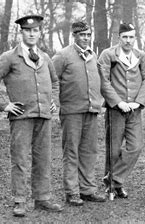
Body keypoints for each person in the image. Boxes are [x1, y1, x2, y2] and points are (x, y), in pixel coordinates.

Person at [0, 15, 63, 217]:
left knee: (43, 158)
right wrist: (4, 105)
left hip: (44, 116)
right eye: (28, 30)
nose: (32, 33)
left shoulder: (44, 57)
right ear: (21, 32)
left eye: (35, 30)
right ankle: (20, 200)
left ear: (40, 32)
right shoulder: (9, 57)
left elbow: (54, 82)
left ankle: (42, 198)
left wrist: (53, 100)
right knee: (20, 160)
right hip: (21, 117)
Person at [52, 21, 106, 206]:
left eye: (88, 35)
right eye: (82, 35)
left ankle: (88, 190)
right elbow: (52, 79)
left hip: (91, 111)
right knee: (71, 151)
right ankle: (72, 192)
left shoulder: (92, 55)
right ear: (74, 36)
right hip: (71, 112)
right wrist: (54, 101)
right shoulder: (62, 55)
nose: (86, 38)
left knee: (89, 151)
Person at [98, 23, 145, 198]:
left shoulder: (141, 56)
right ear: (119, 37)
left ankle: (114, 179)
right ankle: (115, 186)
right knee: (113, 149)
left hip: (134, 110)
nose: (128, 41)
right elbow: (104, 82)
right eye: (125, 37)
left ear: (134, 38)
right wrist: (117, 102)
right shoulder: (108, 55)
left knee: (135, 147)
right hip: (116, 110)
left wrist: (139, 102)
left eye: (131, 37)